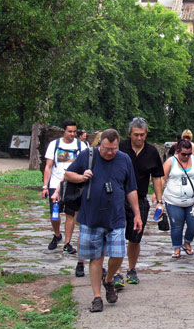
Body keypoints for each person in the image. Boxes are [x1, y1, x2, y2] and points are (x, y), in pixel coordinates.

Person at [62, 129, 142, 313]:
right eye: (106, 148)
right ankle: (97, 297)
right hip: (91, 217)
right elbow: (68, 174)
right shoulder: (87, 156)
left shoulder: (124, 159)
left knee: (118, 254)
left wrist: (137, 214)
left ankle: (109, 280)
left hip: (116, 216)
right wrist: (82, 177)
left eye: (113, 149)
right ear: (100, 144)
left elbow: (131, 189)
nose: (110, 153)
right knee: (95, 257)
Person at [117, 117, 164, 287]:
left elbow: (157, 177)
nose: (139, 138)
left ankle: (131, 269)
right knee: (117, 235)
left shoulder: (151, 152)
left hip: (141, 199)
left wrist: (159, 201)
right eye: (136, 135)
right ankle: (117, 271)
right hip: (119, 198)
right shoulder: (120, 147)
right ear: (129, 134)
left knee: (135, 238)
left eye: (142, 135)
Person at [42, 120, 84, 256]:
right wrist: (45, 186)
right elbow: (48, 166)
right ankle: (57, 234)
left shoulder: (80, 145)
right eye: (70, 131)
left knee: (70, 214)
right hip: (55, 184)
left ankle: (67, 242)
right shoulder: (54, 145)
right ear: (63, 131)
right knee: (55, 214)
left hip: (73, 185)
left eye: (74, 132)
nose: (72, 134)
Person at [162, 139, 194, 258]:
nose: (186, 157)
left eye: (189, 154)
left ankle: (187, 242)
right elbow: (162, 178)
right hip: (173, 200)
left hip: (192, 201)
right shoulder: (171, 162)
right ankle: (176, 247)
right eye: (183, 154)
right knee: (176, 225)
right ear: (177, 151)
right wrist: (157, 195)